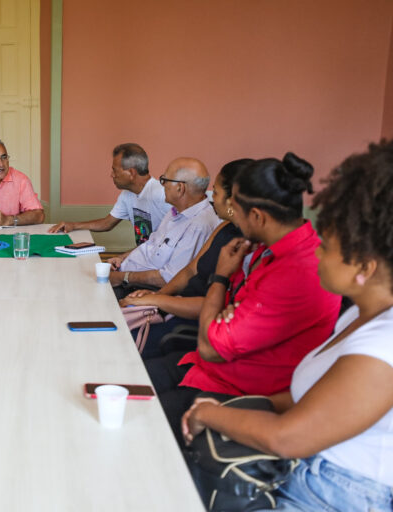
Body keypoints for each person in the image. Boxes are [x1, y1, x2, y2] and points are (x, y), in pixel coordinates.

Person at [182, 141, 393, 512]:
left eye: (327, 247)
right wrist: (240, 408)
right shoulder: (359, 316)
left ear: (365, 267)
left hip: (331, 494)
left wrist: (208, 412)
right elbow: (306, 402)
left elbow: (288, 438)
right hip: (304, 474)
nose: (317, 253)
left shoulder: (384, 346)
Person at [147, 153, 341, 445]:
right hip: (209, 367)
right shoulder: (269, 250)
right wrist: (225, 314)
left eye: (234, 206)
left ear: (257, 216)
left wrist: (220, 277)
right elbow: (226, 313)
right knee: (130, 378)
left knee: (140, 416)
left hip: (239, 391)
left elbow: (212, 346)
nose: (229, 212)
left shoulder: (294, 270)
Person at [118, 159, 251, 357]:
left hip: (191, 321)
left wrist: (156, 299)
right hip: (174, 303)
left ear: (232, 201)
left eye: (215, 192)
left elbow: (213, 303)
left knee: (120, 343)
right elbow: (191, 269)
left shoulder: (243, 245)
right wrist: (156, 297)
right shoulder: (224, 227)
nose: (211, 197)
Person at [108, 157, 219, 294]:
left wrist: (123, 277)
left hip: (139, 288)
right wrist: (121, 258)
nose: (162, 185)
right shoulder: (176, 211)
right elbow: (151, 244)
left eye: (164, 180)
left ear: (180, 188)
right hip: (124, 274)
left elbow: (169, 278)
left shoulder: (199, 225)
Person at [48, 143, 170, 246]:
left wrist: (124, 257)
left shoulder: (163, 194)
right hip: (143, 258)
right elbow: (107, 223)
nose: (111, 175)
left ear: (131, 173)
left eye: (114, 170)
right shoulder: (127, 194)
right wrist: (73, 225)